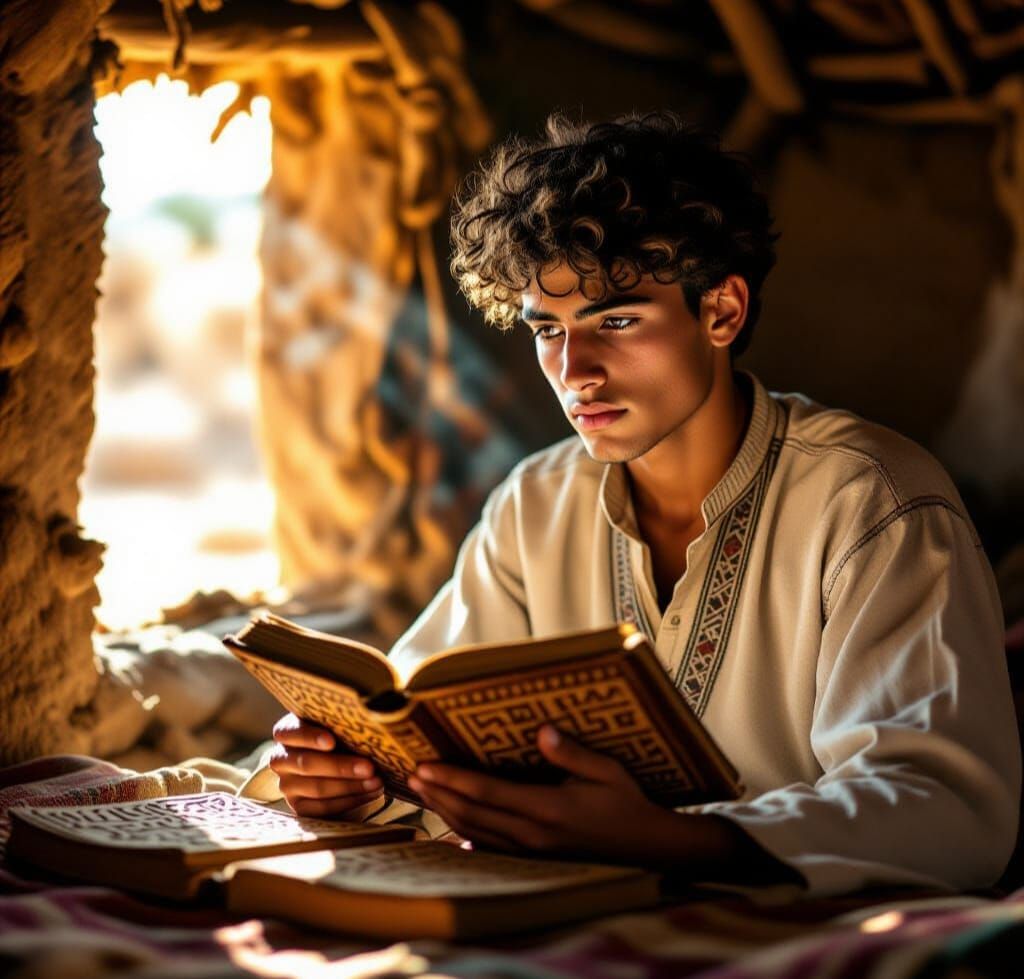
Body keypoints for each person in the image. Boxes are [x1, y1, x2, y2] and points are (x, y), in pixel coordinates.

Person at [269, 112, 1021, 896]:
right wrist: (355, 774)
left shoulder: (874, 500)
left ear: (722, 311)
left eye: (617, 320)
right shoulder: (537, 505)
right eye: (547, 330)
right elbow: (419, 714)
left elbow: (944, 807)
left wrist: (674, 839)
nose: (576, 370)